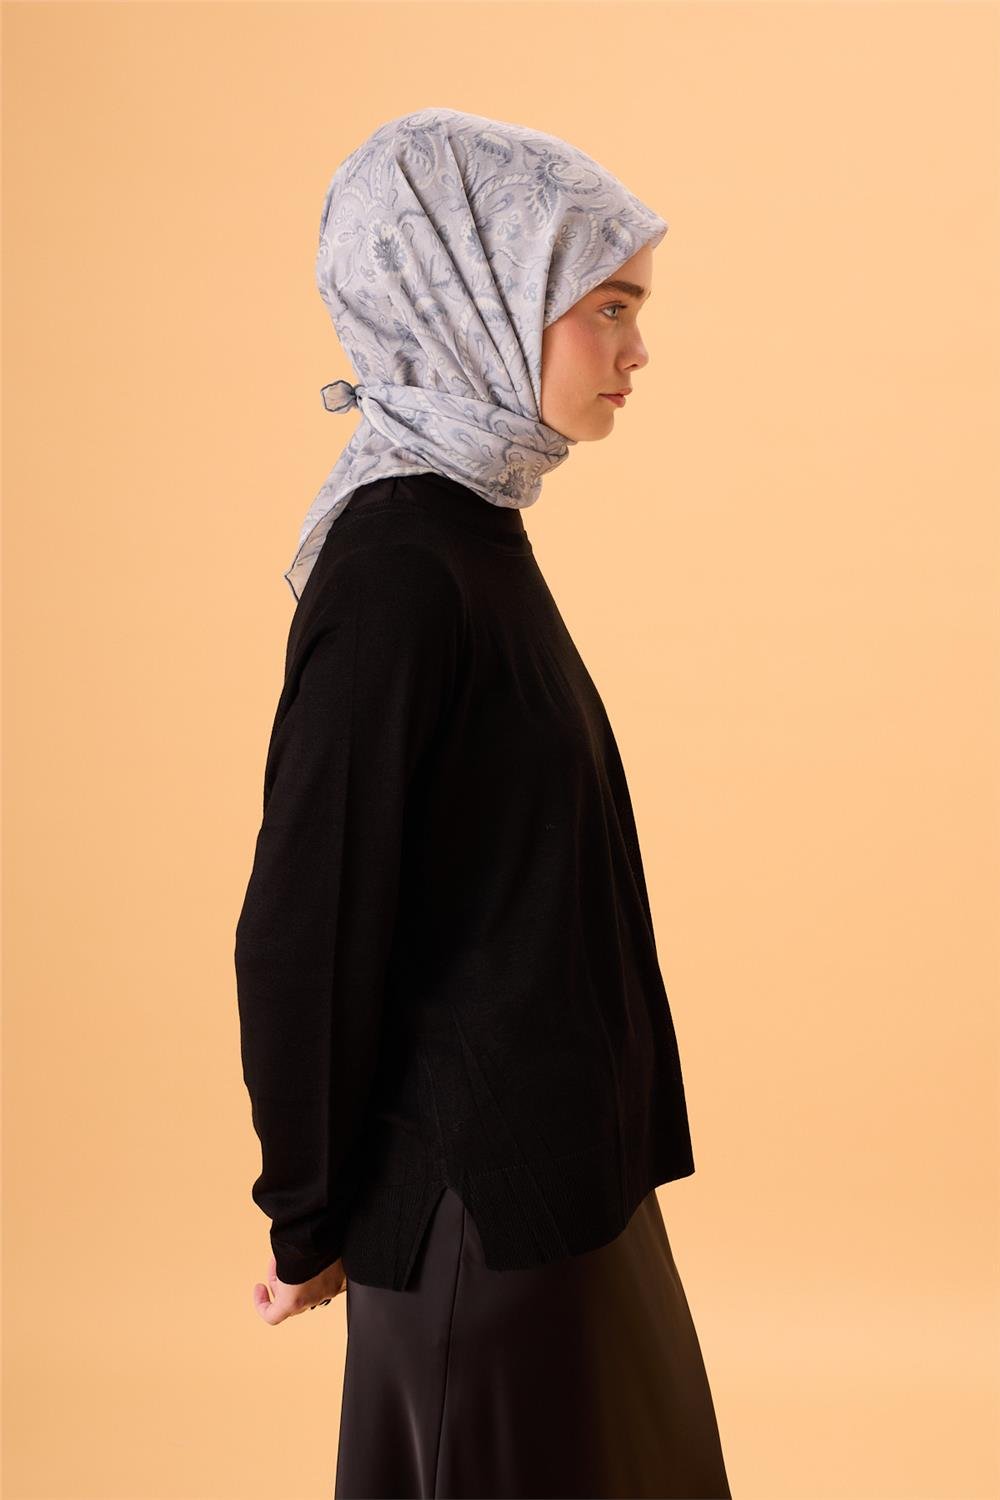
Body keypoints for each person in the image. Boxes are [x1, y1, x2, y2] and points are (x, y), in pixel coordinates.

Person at [234, 106, 732, 1500]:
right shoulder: (399, 567)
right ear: (479, 291)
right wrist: (305, 1214)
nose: (636, 351)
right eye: (609, 307)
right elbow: (307, 921)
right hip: (479, 1219)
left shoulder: (471, 535)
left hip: (563, 1196)